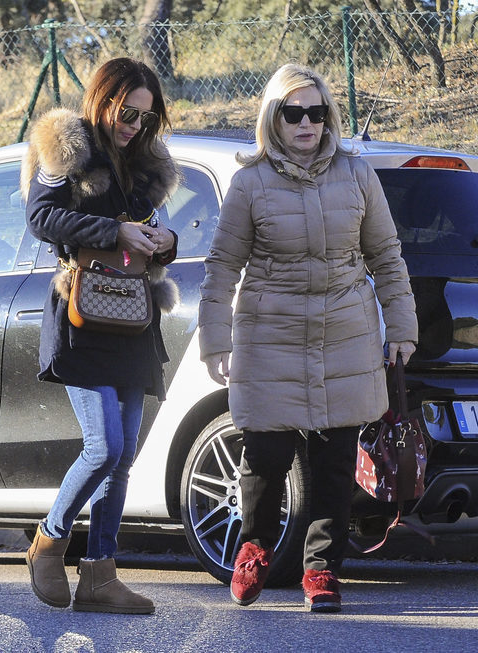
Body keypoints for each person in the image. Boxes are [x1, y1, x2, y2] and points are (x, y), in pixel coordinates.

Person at [198, 63, 417, 613]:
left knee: (335, 461)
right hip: (269, 332)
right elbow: (222, 266)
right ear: (273, 117)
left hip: (346, 331)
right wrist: (214, 339)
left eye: (316, 113)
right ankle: (254, 543)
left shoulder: (357, 173)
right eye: (293, 113)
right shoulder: (250, 182)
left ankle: (322, 572)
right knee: (266, 454)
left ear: (328, 117)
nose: (306, 123)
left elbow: (386, 256)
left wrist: (402, 327)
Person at [20, 57, 180, 614]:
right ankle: (48, 540)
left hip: (133, 317)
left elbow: (147, 236)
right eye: (126, 111)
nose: (134, 125)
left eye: (145, 117)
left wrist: (162, 239)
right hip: (83, 315)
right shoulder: (66, 148)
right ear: (102, 98)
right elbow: (41, 218)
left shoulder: (145, 165)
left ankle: (100, 575)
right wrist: (115, 229)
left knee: (124, 457)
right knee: (104, 446)